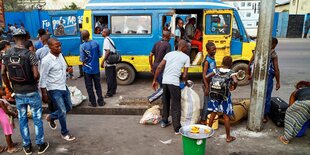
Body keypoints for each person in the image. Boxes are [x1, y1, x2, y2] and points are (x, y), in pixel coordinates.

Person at [1, 28, 49, 154]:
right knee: (37, 118)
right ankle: (40, 144)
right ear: (26, 38)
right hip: (32, 91)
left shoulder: (6, 54)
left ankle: (27, 146)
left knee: (22, 119)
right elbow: (36, 75)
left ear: (13, 39)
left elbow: (2, 73)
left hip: (18, 92)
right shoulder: (30, 54)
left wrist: (11, 89)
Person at [39, 38, 76, 142]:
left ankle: (51, 117)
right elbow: (43, 77)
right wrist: (44, 93)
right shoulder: (46, 60)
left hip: (63, 86)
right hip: (54, 89)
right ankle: (64, 133)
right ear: (50, 47)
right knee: (63, 111)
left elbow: (63, 68)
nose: (59, 48)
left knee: (68, 107)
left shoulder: (61, 55)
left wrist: (68, 70)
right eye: (57, 46)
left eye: (60, 46)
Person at [152, 40, 190, 134]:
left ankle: (164, 121)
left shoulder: (169, 54)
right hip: (174, 83)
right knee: (176, 105)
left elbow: (159, 67)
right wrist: (186, 83)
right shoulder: (186, 57)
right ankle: (177, 128)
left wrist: (154, 80)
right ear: (184, 47)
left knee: (166, 102)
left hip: (165, 82)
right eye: (187, 47)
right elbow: (185, 75)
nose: (188, 49)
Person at [206, 56, 238, 143]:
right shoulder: (231, 72)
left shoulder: (216, 70)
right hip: (225, 97)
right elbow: (235, 81)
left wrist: (210, 86)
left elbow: (206, 76)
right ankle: (228, 137)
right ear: (231, 64)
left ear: (222, 63)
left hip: (214, 95)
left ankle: (207, 133)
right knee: (226, 116)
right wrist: (233, 87)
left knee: (213, 113)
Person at [80, 30, 105, 107]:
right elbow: (100, 55)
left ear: (82, 37)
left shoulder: (82, 46)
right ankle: (101, 101)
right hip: (96, 69)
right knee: (98, 86)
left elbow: (82, 59)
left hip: (87, 70)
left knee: (89, 86)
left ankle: (93, 102)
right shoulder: (96, 43)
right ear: (89, 35)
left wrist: (83, 60)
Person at [147, 31, 171, 103]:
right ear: (167, 37)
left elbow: (150, 55)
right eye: (170, 36)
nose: (170, 38)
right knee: (164, 86)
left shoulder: (156, 43)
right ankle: (153, 98)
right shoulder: (168, 45)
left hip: (155, 66)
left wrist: (151, 66)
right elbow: (168, 58)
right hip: (162, 68)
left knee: (161, 84)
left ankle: (164, 100)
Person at [263, 37, 280, 123]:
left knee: (256, 95)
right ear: (273, 44)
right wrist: (278, 82)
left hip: (257, 77)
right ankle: (265, 115)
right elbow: (276, 69)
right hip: (268, 78)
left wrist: (249, 74)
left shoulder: (260, 50)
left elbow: (251, 62)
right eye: (275, 45)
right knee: (267, 97)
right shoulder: (273, 54)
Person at [200, 42, 217, 125]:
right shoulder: (207, 61)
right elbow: (204, 74)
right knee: (207, 102)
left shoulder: (212, 57)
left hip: (211, 83)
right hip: (207, 84)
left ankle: (207, 118)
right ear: (207, 50)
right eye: (212, 50)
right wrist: (206, 87)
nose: (214, 51)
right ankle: (203, 119)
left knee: (210, 101)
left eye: (215, 49)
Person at [101, 28, 117, 98]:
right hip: (113, 61)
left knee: (109, 78)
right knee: (113, 77)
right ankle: (113, 90)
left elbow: (107, 51)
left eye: (102, 32)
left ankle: (109, 93)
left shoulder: (106, 40)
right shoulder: (110, 40)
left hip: (109, 62)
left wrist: (103, 61)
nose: (101, 33)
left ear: (105, 33)